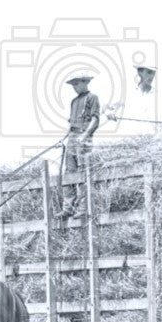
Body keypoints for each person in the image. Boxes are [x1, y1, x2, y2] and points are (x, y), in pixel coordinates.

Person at [61, 70, 100, 218]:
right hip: (72, 137)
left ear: (85, 82)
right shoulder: (74, 101)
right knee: (69, 172)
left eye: (77, 83)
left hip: (84, 138)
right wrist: (65, 137)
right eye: (73, 84)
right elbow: (71, 122)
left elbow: (95, 120)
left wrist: (85, 135)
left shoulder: (92, 98)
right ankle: (68, 208)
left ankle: (83, 208)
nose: (75, 87)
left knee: (83, 171)